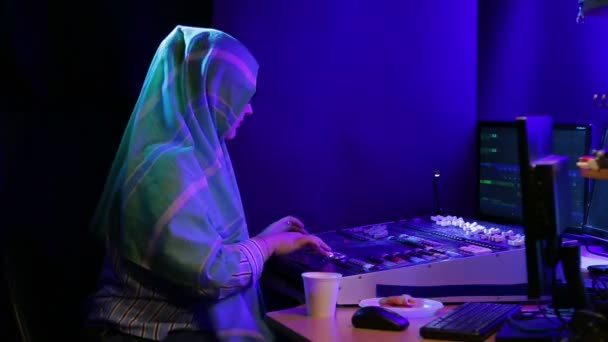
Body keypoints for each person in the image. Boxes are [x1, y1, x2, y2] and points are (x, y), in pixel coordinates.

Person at [85, 25, 331, 342]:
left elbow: (199, 256)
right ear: (210, 93)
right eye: (240, 96)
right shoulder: (164, 166)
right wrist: (267, 246)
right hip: (139, 335)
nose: (249, 108)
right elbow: (211, 276)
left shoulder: (193, 155)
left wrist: (265, 239)